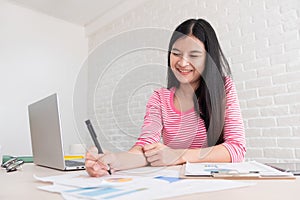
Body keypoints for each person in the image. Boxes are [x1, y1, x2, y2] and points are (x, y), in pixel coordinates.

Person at [85, 18, 246, 177]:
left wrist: (178, 155)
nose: (182, 63)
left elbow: (236, 149)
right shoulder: (159, 98)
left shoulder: (223, 88)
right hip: (177, 185)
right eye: (176, 53)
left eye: (194, 55)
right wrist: (112, 160)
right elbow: (146, 147)